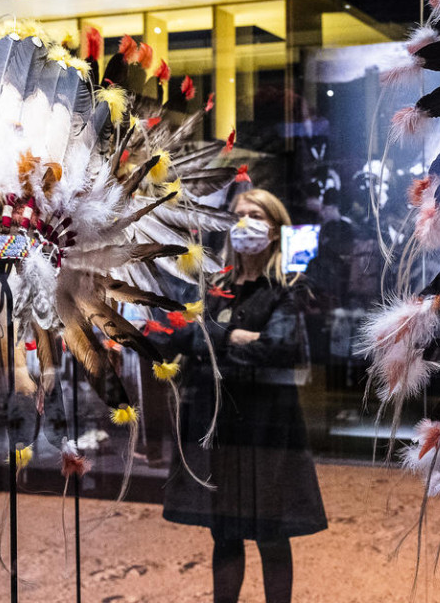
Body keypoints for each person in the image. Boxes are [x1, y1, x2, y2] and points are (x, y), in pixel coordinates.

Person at [162, 188, 327, 603]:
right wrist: (231, 336)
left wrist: (209, 344)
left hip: (267, 426)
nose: (244, 222)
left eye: (255, 215)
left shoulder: (289, 285)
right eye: (238, 214)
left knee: (271, 533)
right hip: (218, 424)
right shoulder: (214, 284)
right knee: (226, 532)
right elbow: (179, 332)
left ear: (274, 230)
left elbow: (279, 347)